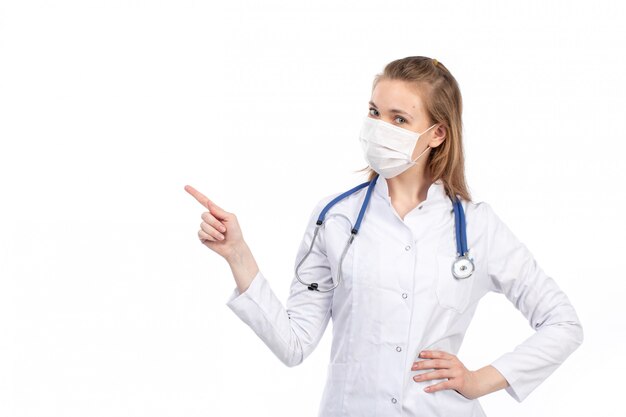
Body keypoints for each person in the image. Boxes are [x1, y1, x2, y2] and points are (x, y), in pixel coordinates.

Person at [184, 56, 584, 417]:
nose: (379, 129)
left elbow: (563, 323)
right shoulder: (335, 217)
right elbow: (294, 345)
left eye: (399, 119)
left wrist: (480, 379)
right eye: (374, 113)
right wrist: (237, 254)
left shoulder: (477, 226)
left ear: (437, 134)